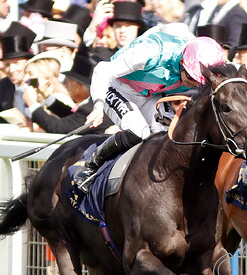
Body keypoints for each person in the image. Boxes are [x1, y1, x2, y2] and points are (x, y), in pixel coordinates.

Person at [72, 35, 226, 192]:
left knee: (170, 137)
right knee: (138, 131)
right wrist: (98, 104)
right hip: (118, 86)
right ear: (181, 62)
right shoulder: (148, 54)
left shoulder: (199, 60)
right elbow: (102, 69)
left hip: (151, 94)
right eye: (192, 78)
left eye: (200, 82)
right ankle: (91, 165)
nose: (195, 85)